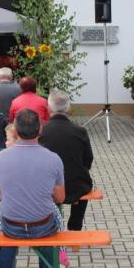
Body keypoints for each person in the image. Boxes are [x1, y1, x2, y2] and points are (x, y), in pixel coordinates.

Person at [0, 109, 65, 268]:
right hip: (43, 225)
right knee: (51, 221)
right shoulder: (53, 159)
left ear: (15, 131)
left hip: (11, 226)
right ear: (40, 130)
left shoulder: (0, 157)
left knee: (4, 226)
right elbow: (60, 198)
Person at [40, 90, 94, 231]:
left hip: (47, 186)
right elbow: (88, 160)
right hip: (75, 185)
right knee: (85, 184)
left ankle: (50, 224)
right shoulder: (80, 131)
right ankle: (75, 225)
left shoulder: (40, 131)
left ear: (48, 108)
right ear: (69, 108)